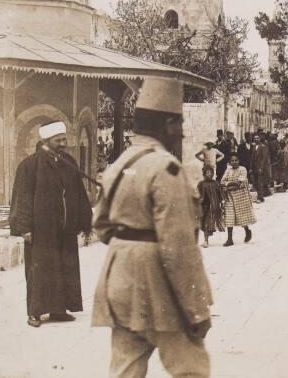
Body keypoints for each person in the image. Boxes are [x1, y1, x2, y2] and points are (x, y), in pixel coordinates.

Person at [92, 77, 212, 378]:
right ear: (168, 125)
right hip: (155, 285)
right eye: (179, 123)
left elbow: (101, 225)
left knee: (125, 370)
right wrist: (197, 309)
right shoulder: (165, 168)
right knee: (191, 368)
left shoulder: (119, 163)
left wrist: (130, 244)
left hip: (117, 277)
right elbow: (179, 246)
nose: (182, 132)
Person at [9, 120, 93, 328]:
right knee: (40, 270)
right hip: (41, 229)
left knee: (64, 267)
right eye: (58, 140)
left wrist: (85, 221)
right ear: (45, 141)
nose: (63, 143)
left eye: (64, 139)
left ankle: (59, 310)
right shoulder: (30, 165)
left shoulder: (69, 162)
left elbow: (79, 193)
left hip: (65, 228)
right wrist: (25, 227)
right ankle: (35, 313)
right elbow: (23, 198)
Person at [219, 152, 255, 246]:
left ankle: (247, 230)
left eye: (236, 160)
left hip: (241, 196)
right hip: (229, 197)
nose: (234, 162)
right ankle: (229, 239)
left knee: (242, 217)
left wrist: (229, 185)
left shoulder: (243, 169)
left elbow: (239, 184)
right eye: (232, 161)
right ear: (229, 162)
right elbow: (223, 181)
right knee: (229, 217)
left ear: (239, 161)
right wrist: (230, 184)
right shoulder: (228, 170)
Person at [196, 166, 223, 248]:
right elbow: (197, 194)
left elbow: (220, 194)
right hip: (204, 206)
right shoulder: (201, 184)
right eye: (207, 173)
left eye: (211, 173)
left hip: (214, 206)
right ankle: (206, 239)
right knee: (205, 223)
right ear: (204, 174)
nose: (210, 174)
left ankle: (206, 240)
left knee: (208, 223)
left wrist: (222, 201)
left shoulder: (216, 183)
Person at [250, 133, 272, 203]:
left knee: (260, 183)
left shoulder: (263, 146)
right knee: (255, 183)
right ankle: (258, 196)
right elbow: (252, 158)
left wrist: (261, 168)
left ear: (260, 139)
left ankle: (260, 198)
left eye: (257, 138)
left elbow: (264, 158)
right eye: (255, 138)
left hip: (260, 168)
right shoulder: (253, 146)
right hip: (254, 168)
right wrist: (250, 168)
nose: (256, 139)